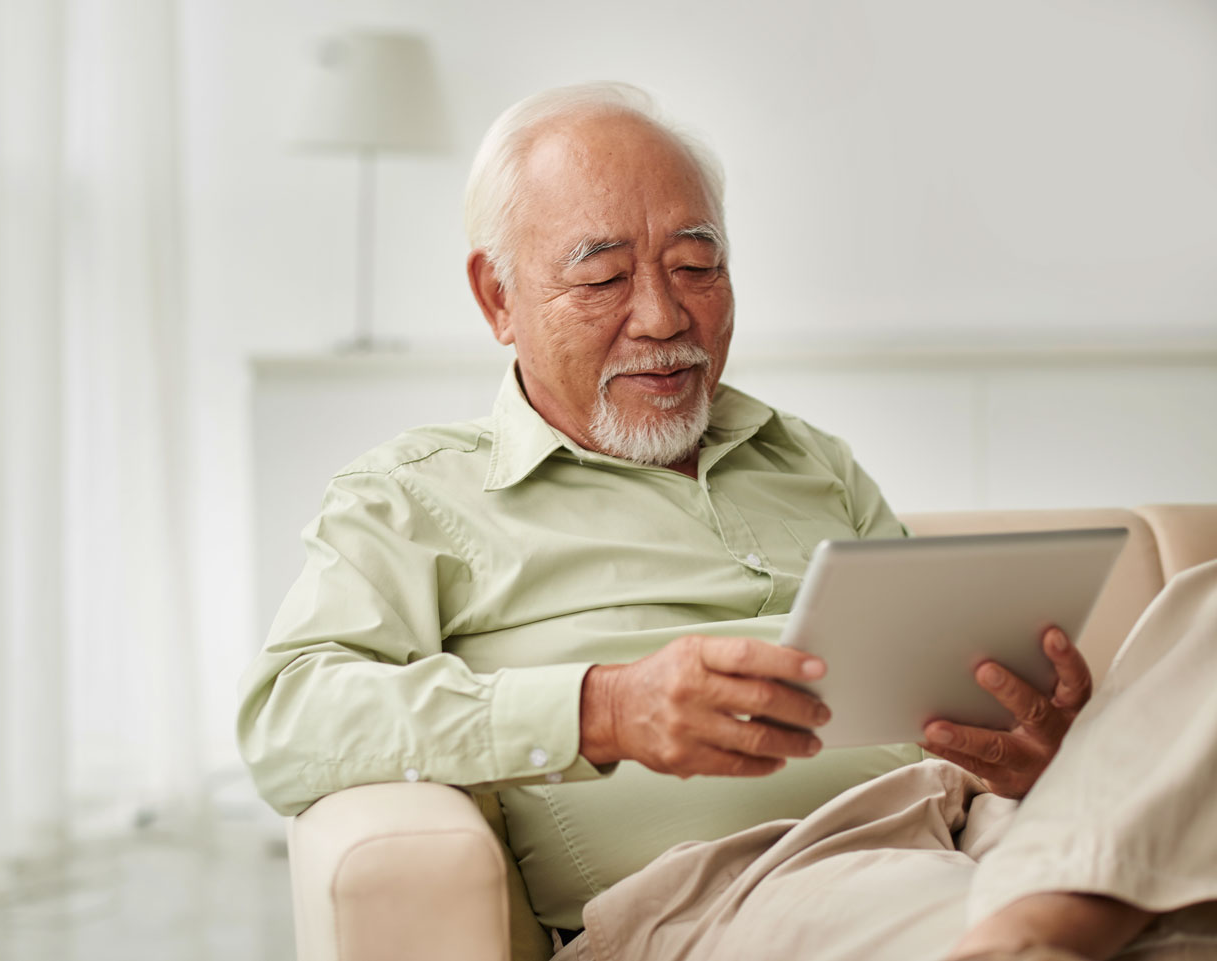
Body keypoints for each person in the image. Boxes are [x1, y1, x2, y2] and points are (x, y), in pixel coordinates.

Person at [237, 83, 1217, 960]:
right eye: (604, 276)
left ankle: (1061, 904)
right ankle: (1068, 912)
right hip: (740, 887)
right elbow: (289, 718)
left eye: (697, 265)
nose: (664, 316)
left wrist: (1039, 749)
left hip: (971, 829)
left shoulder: (808, 458)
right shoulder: (413, 497)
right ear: (499, 296)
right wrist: (604, 708)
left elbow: (946, 702)